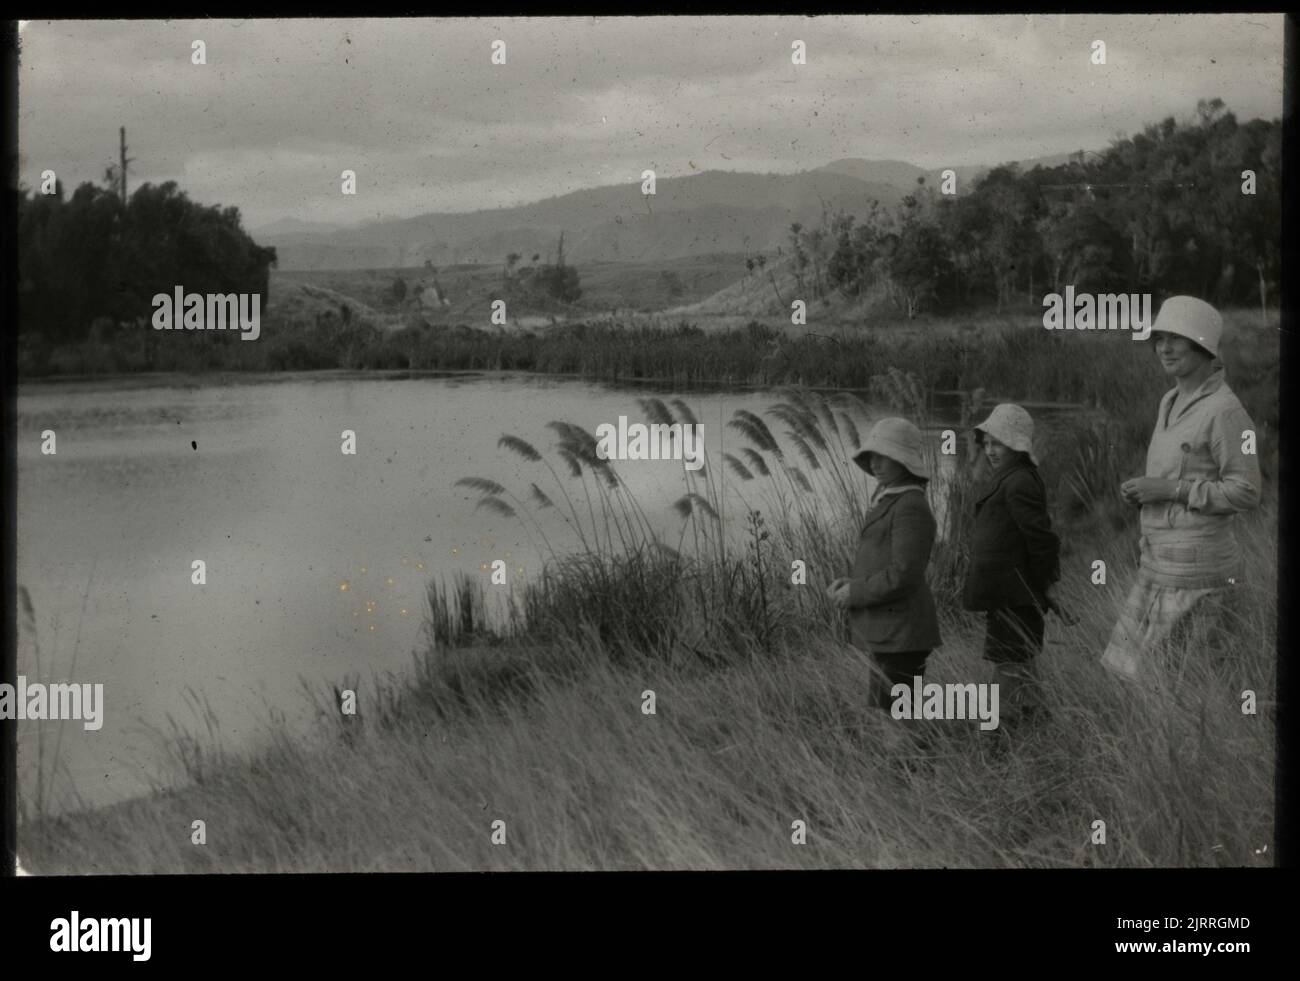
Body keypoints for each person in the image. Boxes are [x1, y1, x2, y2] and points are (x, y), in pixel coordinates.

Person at [1102, 296, 1261, 682]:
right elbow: (1174, 476)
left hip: (1199, 576)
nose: (1164, 348)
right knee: (1129, 677)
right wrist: (1144, 493)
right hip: (1159, 566)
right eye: (1159, 338)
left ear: (1204, 344)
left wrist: (1172, 489)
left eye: (1177, 338)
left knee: (1181, 689)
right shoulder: (1169, 401)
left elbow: (1247, 491)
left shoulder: (1228, 412)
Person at [828, 418, 942, 728]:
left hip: (903, 632)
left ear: (904, 460)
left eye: (883, 455)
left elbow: (904, 573)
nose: (874, 463)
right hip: (891, 631)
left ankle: (909, 769)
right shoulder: (890, 499)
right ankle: (905, 767)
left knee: (898, 717)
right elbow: (887, 565)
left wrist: (856, 592)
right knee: (889, 712)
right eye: (871, 456)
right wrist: (852, 583)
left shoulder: (910, 505)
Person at [962, 403, 1061, 727]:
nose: (989, 450)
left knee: (1007, 661)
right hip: (1007, 591)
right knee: (1019, 658)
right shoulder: (1010, 478)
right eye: (986, 443)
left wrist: (1045, 583)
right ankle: (1039, 720)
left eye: (997, 444)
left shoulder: (1020, 481)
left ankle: (994, 730)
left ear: (1016, 446)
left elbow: (1041, 540)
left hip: (1015, 592)